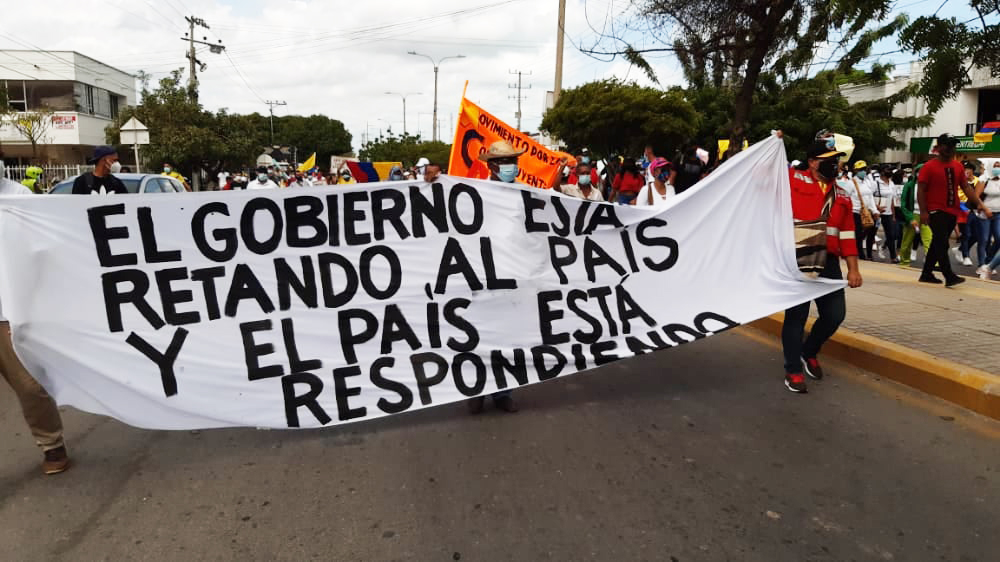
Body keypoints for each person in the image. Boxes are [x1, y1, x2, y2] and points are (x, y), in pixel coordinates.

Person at [0, 161, 70, 474]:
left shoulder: (18, 198)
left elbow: (41, 252)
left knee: (29, 386)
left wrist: (30, 306)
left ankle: (52, 444)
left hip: (9, 314)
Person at [781, 139, 862, 393]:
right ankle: (793, 370)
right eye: (829, 160)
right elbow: (761, 177)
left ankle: (809, 351)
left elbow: (847, 234)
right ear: (813, 162)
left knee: (835, 315)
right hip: (798, 259)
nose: (835, 164)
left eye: (836, 160)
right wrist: (775, 143)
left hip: (829, 262)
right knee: (796, 316)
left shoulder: (842, 194)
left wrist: (853, 268)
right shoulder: (792, 180)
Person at [467, 140, 525, 414]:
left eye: (513, 161)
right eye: (504, 162)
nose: (511, 166)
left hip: (513, 274)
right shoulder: (473, 192)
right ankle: (477, 390)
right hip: (482, 274)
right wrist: (433, 179)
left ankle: (503, 392)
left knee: (509, 336)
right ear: (491, 166)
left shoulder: (524, 194)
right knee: (480, 335)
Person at [917, 134, 993, 286]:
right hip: (935, 210)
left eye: (953, 145)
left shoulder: (957, 166)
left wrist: (979, 204)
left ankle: (926, 274)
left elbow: (966, 188)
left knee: (938, 242)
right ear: (939, 147)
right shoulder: (929, 167)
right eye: (948, 145)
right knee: (941, 243)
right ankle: (949, 275)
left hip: (952, 211)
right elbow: (921, 190)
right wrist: (923, 211)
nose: (951, 149)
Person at [899, 163, 932, 266]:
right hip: (912, 215)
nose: (921, 174)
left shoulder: (930, 186)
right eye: (919, 171)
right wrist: (910, 218)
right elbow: (903, 204)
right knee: (907, 241)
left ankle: (933, 263)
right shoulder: (909, 185)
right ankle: (904, 261)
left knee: (929, 239)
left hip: (925, 216)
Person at [848, 160, 879, 259]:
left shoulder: (867, 182)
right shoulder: (851, 183)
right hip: (855, 212)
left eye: (864, 169)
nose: (863, 171)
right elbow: (847, 197)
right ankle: (860, 253)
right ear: (856, 171)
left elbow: (870, 197)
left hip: (867, 212)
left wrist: (875, 211)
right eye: (861, 169)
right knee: (858, 234)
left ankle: (866, 253)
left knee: (869, 232)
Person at [974, 161, 1000, 271]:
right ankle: (981, 265)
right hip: (984, 213)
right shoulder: (984, 179)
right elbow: (976, 196)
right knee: (984, 239)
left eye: (999, 166)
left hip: (998, 213)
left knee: (999, 238)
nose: (997, 168)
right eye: (995, 166)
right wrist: (985, 209)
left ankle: (988, 262)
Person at [873, 164, 899, 263]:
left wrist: (893, 215)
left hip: (888, 213)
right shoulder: (876, 183)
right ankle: (867, 255)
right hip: (877, 212)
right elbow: (870, 197)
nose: (890, 171)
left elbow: (892, 200)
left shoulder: (891, 183)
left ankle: (893, 257)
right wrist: (876, 207)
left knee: (891, 235)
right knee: (871, 233)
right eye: (888, 169)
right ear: (882, 171)